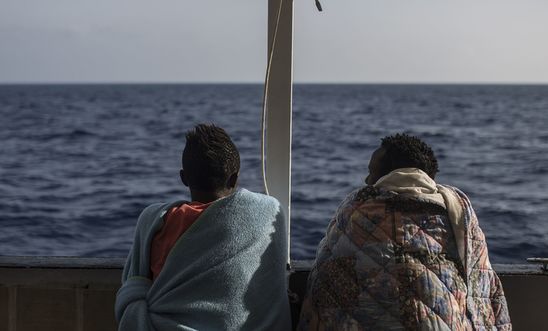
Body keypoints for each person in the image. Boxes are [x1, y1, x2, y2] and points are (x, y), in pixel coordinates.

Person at [298, 133, 511, 330]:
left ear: (389, 174)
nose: (366, 180)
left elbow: (325, 267)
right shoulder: (459, 210)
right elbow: (482, 281)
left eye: (371, 172)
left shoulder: (357, 206)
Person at [115, 123, 291, 331]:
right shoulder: (268, 211)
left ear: (183, 178)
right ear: (234, 178)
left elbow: (135, 280)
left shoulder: (155, 220)